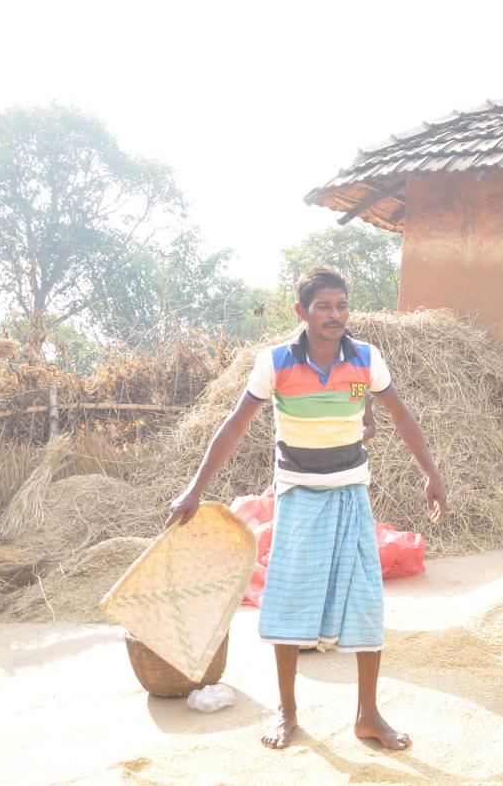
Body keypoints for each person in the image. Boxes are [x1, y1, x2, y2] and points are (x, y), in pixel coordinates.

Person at [165, 266, 447, 751]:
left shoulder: (365, 358)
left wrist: (432, 472)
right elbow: (235, 425)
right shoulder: (274, 363)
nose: (335, 315)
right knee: (291, 596)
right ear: (302, 311)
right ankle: (288, 712)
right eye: (324, 306)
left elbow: (397, 411)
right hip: (296, 494)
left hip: (350, 492)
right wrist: (194, 489)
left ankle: (367, 715)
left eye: (341, 306)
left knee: (365, 599)